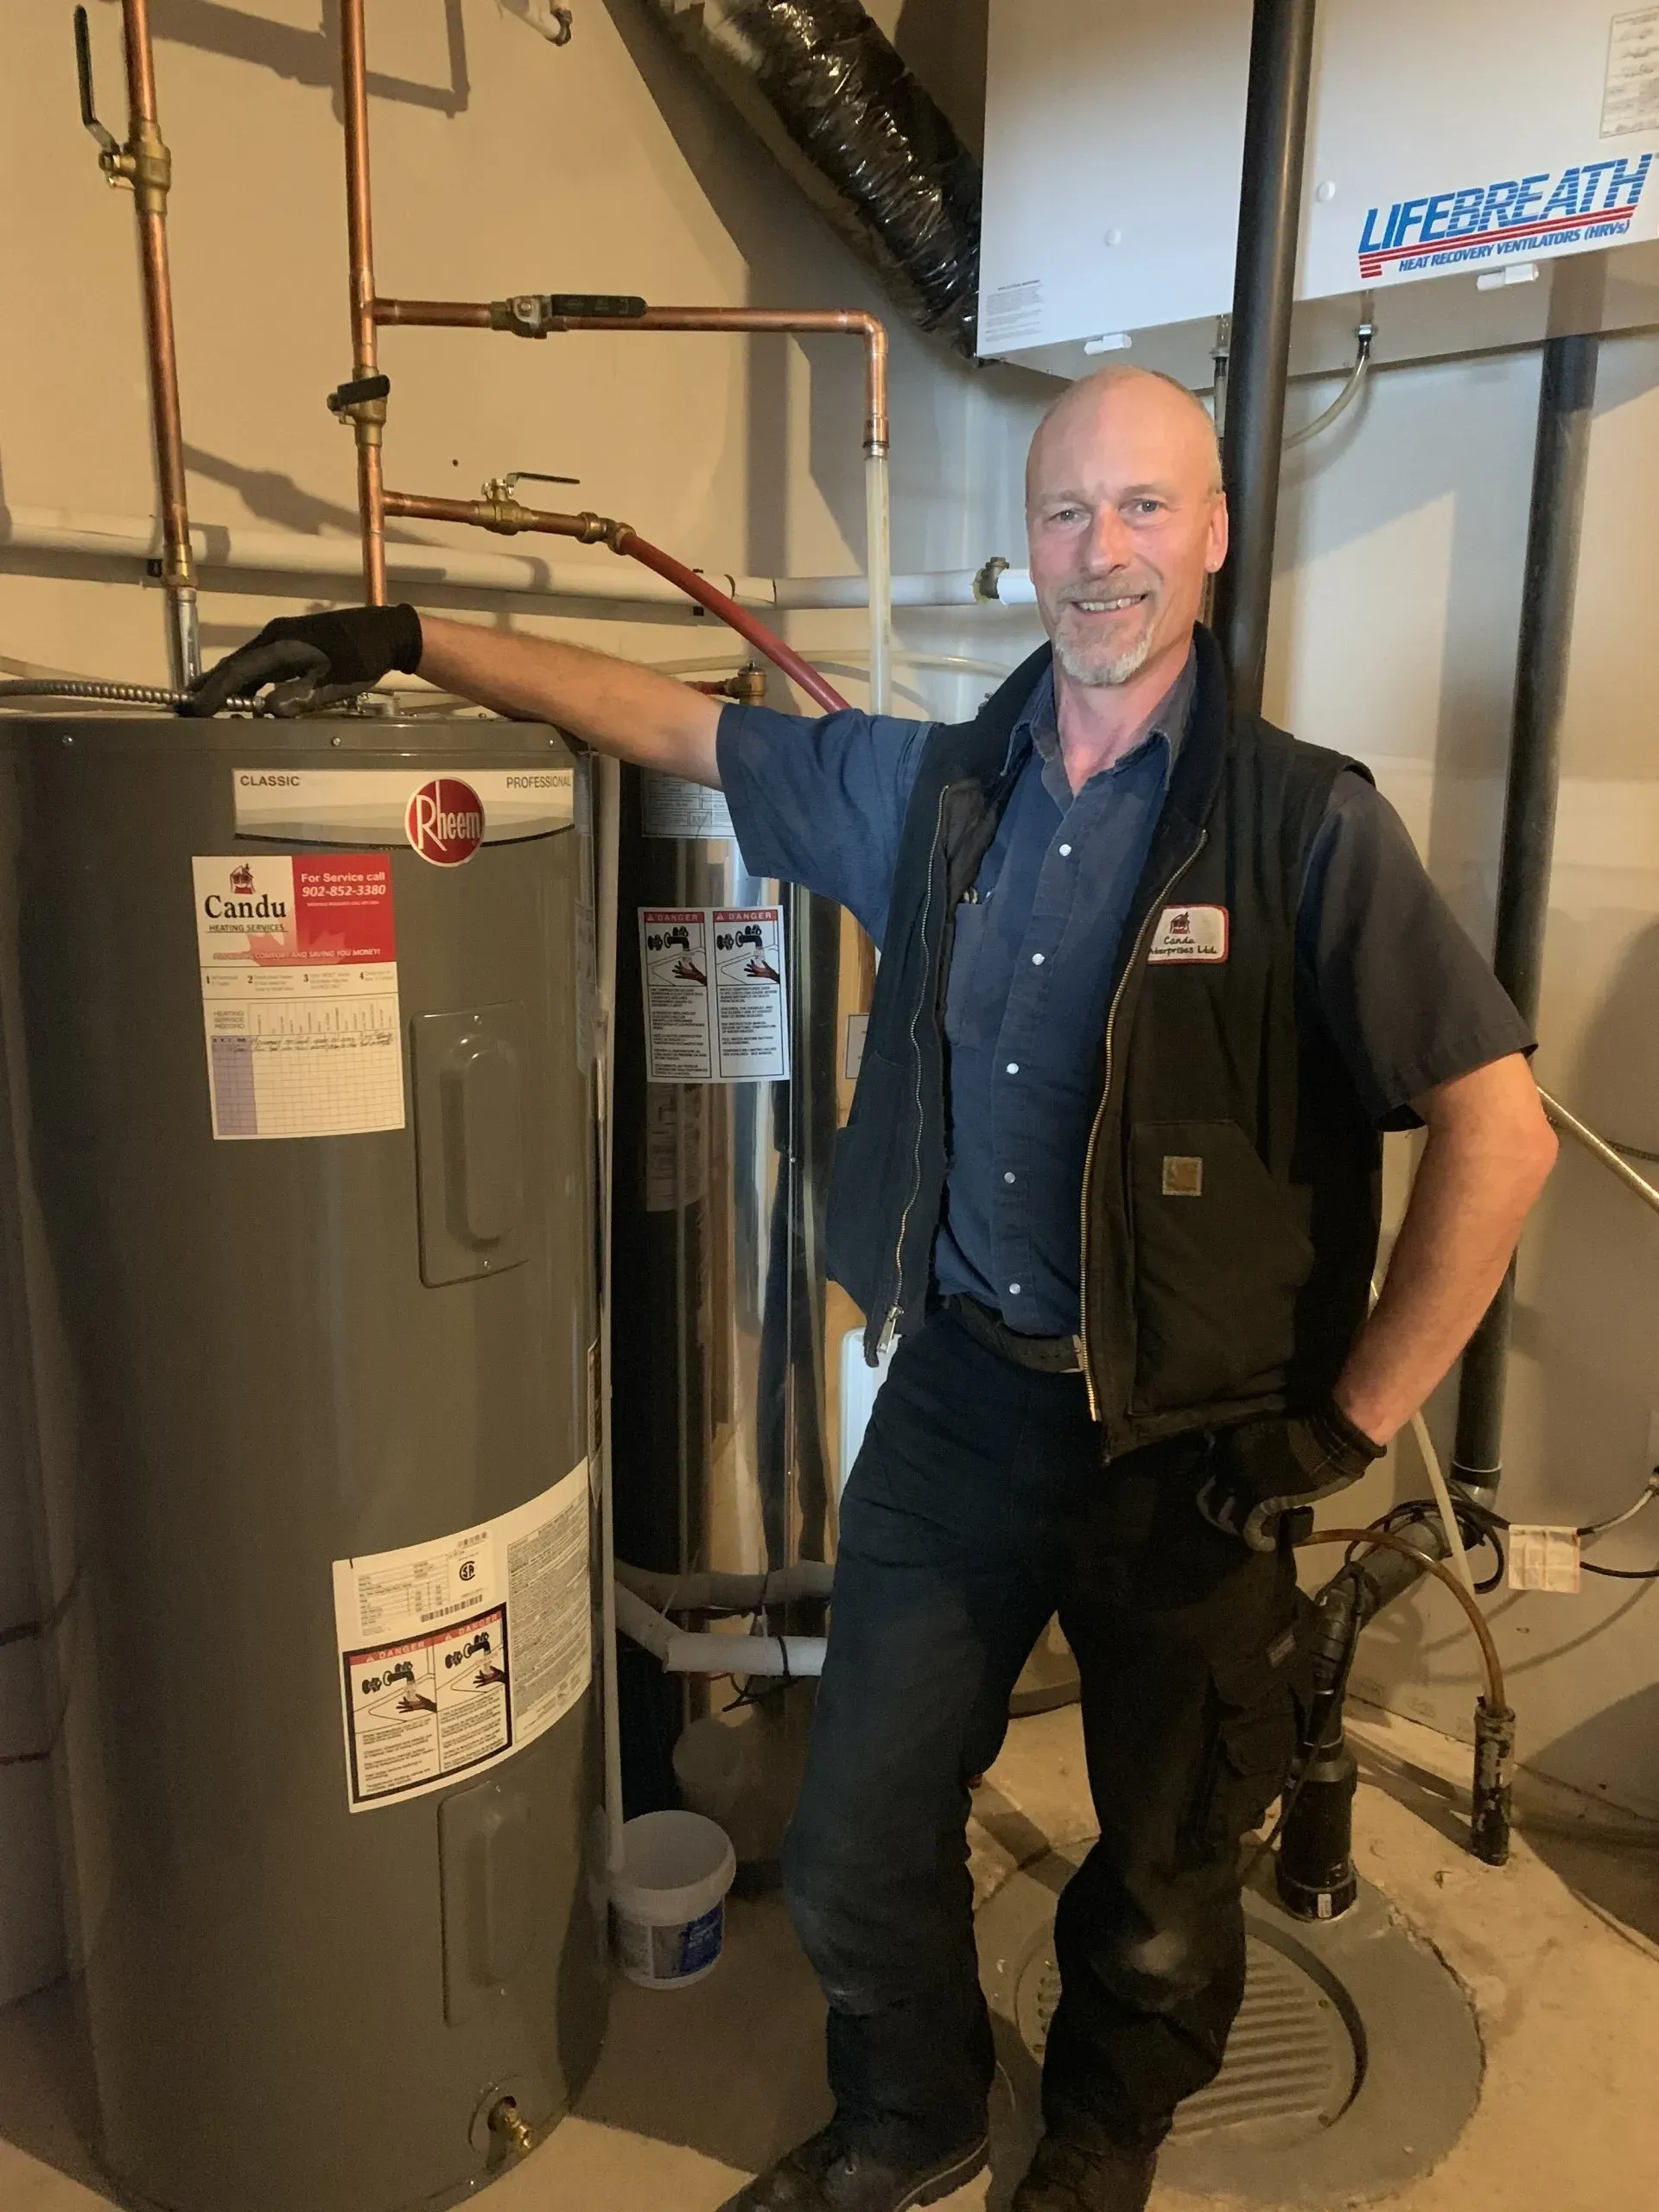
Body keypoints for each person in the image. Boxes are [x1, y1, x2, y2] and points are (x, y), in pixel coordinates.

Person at [190, 366, 1557, 2212]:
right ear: (1030, 542)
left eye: (1144, 509)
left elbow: (1502, 1130)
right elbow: (678, 727)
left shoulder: (1309, 827)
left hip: (1194, 1447)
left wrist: (1350, 1418)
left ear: (1214, 534)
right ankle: (914, 2111)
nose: (1102, 551)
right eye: (1069, 512)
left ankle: (1094, 2144)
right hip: (963, 1402)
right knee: (850, 1843)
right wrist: (413, 630)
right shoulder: (934, 790)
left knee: (1161, 1873)